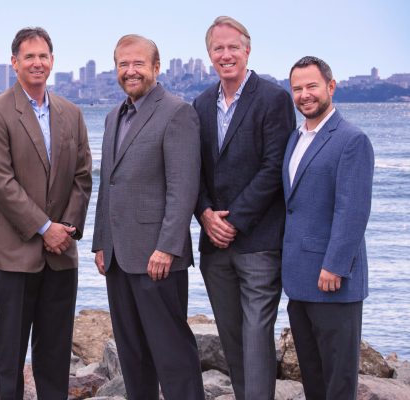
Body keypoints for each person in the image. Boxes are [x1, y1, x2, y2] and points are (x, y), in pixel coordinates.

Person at [0, 27, 92, 400]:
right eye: (29, 56)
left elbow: (83, 176)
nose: (37, 62)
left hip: (61, 256)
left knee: (55, 355)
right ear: (14, 63)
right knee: (10, 354)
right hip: (15, 256)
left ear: (52, 61)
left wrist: (67, 229)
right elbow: (1, 183)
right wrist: (44, 228)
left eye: (43, 56)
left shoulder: (71, 113)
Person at [92, 34, 204, 400]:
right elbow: (108, 184)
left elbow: (183, 187)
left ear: (156, 67)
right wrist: (100, 242)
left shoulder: (176, 112)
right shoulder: (113, 117)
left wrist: (168, 247)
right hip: (118, 258)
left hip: (158, 258)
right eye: (123, 64)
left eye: (138, 63)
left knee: (172, 354)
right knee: (132, 355)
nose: (131, 71)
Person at [193, 16, 295, 399]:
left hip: (258, 242)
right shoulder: (201, 104)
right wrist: (204, 214)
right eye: (218, 48)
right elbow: (194, 169)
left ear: (247, 50)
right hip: (214, 246)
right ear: (209, 56)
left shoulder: (273, 98)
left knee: (255, 335)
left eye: (233, 47)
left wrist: (233, 221)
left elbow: (274, 168)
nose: (226, 54)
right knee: (232, 339)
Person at [283, 56, 374, 400]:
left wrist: (335, 264)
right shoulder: (295, 139)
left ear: (330, 87)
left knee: (338, 383)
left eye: (312, 86)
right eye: (297, 88)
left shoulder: (352, 140)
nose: (305, 94)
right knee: (313, 380)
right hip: (299, 280)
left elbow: (353, 209)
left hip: (332, 281)